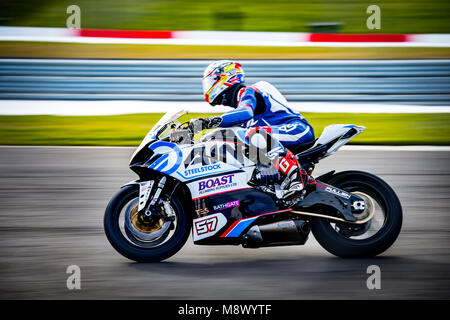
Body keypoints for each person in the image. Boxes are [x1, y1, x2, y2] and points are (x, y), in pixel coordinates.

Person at [191, 60, 315, 201]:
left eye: (212, 81)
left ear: (226, 77)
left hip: (297, 129)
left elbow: (245, 112)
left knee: (253, 134)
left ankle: (296, 178)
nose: (208, 87)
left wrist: (210, 121)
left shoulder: (247, 91)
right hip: (279, 136)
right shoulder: (241, 110)